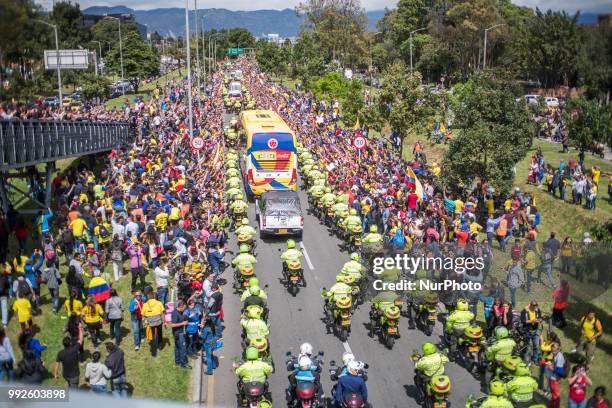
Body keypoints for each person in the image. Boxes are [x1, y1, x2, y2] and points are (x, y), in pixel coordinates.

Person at [54, 322, 84, 388]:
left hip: (66, 375)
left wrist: (55, 374)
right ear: (70, 343)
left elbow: (57, 364)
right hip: (74, 376)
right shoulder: (75, 349)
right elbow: (81, 339)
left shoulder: (60, 353)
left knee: (70, 385)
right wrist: (80, 328)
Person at [168, 300, 190, 369]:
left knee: (177, 347)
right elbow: (172, 325)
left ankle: (177, 361)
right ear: (180, 306)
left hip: (177, 334)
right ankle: (183, 364)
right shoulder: (175, 313)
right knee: (183, 349)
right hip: (179, 334)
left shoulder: (179, 312)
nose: (184, 308)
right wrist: (183, 323)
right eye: (183, 307)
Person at [141, 291, 164, 357]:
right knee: (159, 332)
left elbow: (143, 314)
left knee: (153, 336)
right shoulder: (159, 303)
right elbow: (162, 313)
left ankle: (153, 352)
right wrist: (164, 322)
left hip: (150, 323)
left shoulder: (145, 304)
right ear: (154, 297)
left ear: (148, 297)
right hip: (158, 322)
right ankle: (160, 344)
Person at [520, 300, 542, 364]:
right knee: (526, 346)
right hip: (527, 331)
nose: (535, 307)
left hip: (535, 330)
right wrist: (532, 321)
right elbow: (523, 321)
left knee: (536, 345)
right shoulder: (524, 311)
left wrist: (540, 320)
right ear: (530, 305)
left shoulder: (537, 310)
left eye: (536, 305)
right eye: (534, 305)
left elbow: (540, 318)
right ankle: (524, 357)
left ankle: (535, 359)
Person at [546, 343, 566, 408]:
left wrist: (551, 368)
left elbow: (559, 371)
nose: (552, 352)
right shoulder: (557, 354)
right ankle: (551, 406)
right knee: (553, 394)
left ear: (558, 349)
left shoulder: (559, 357)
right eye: (552, 350)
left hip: (555, 379)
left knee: (556, 396)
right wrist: (552, 364)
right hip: (553, 378)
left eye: (554, 351)